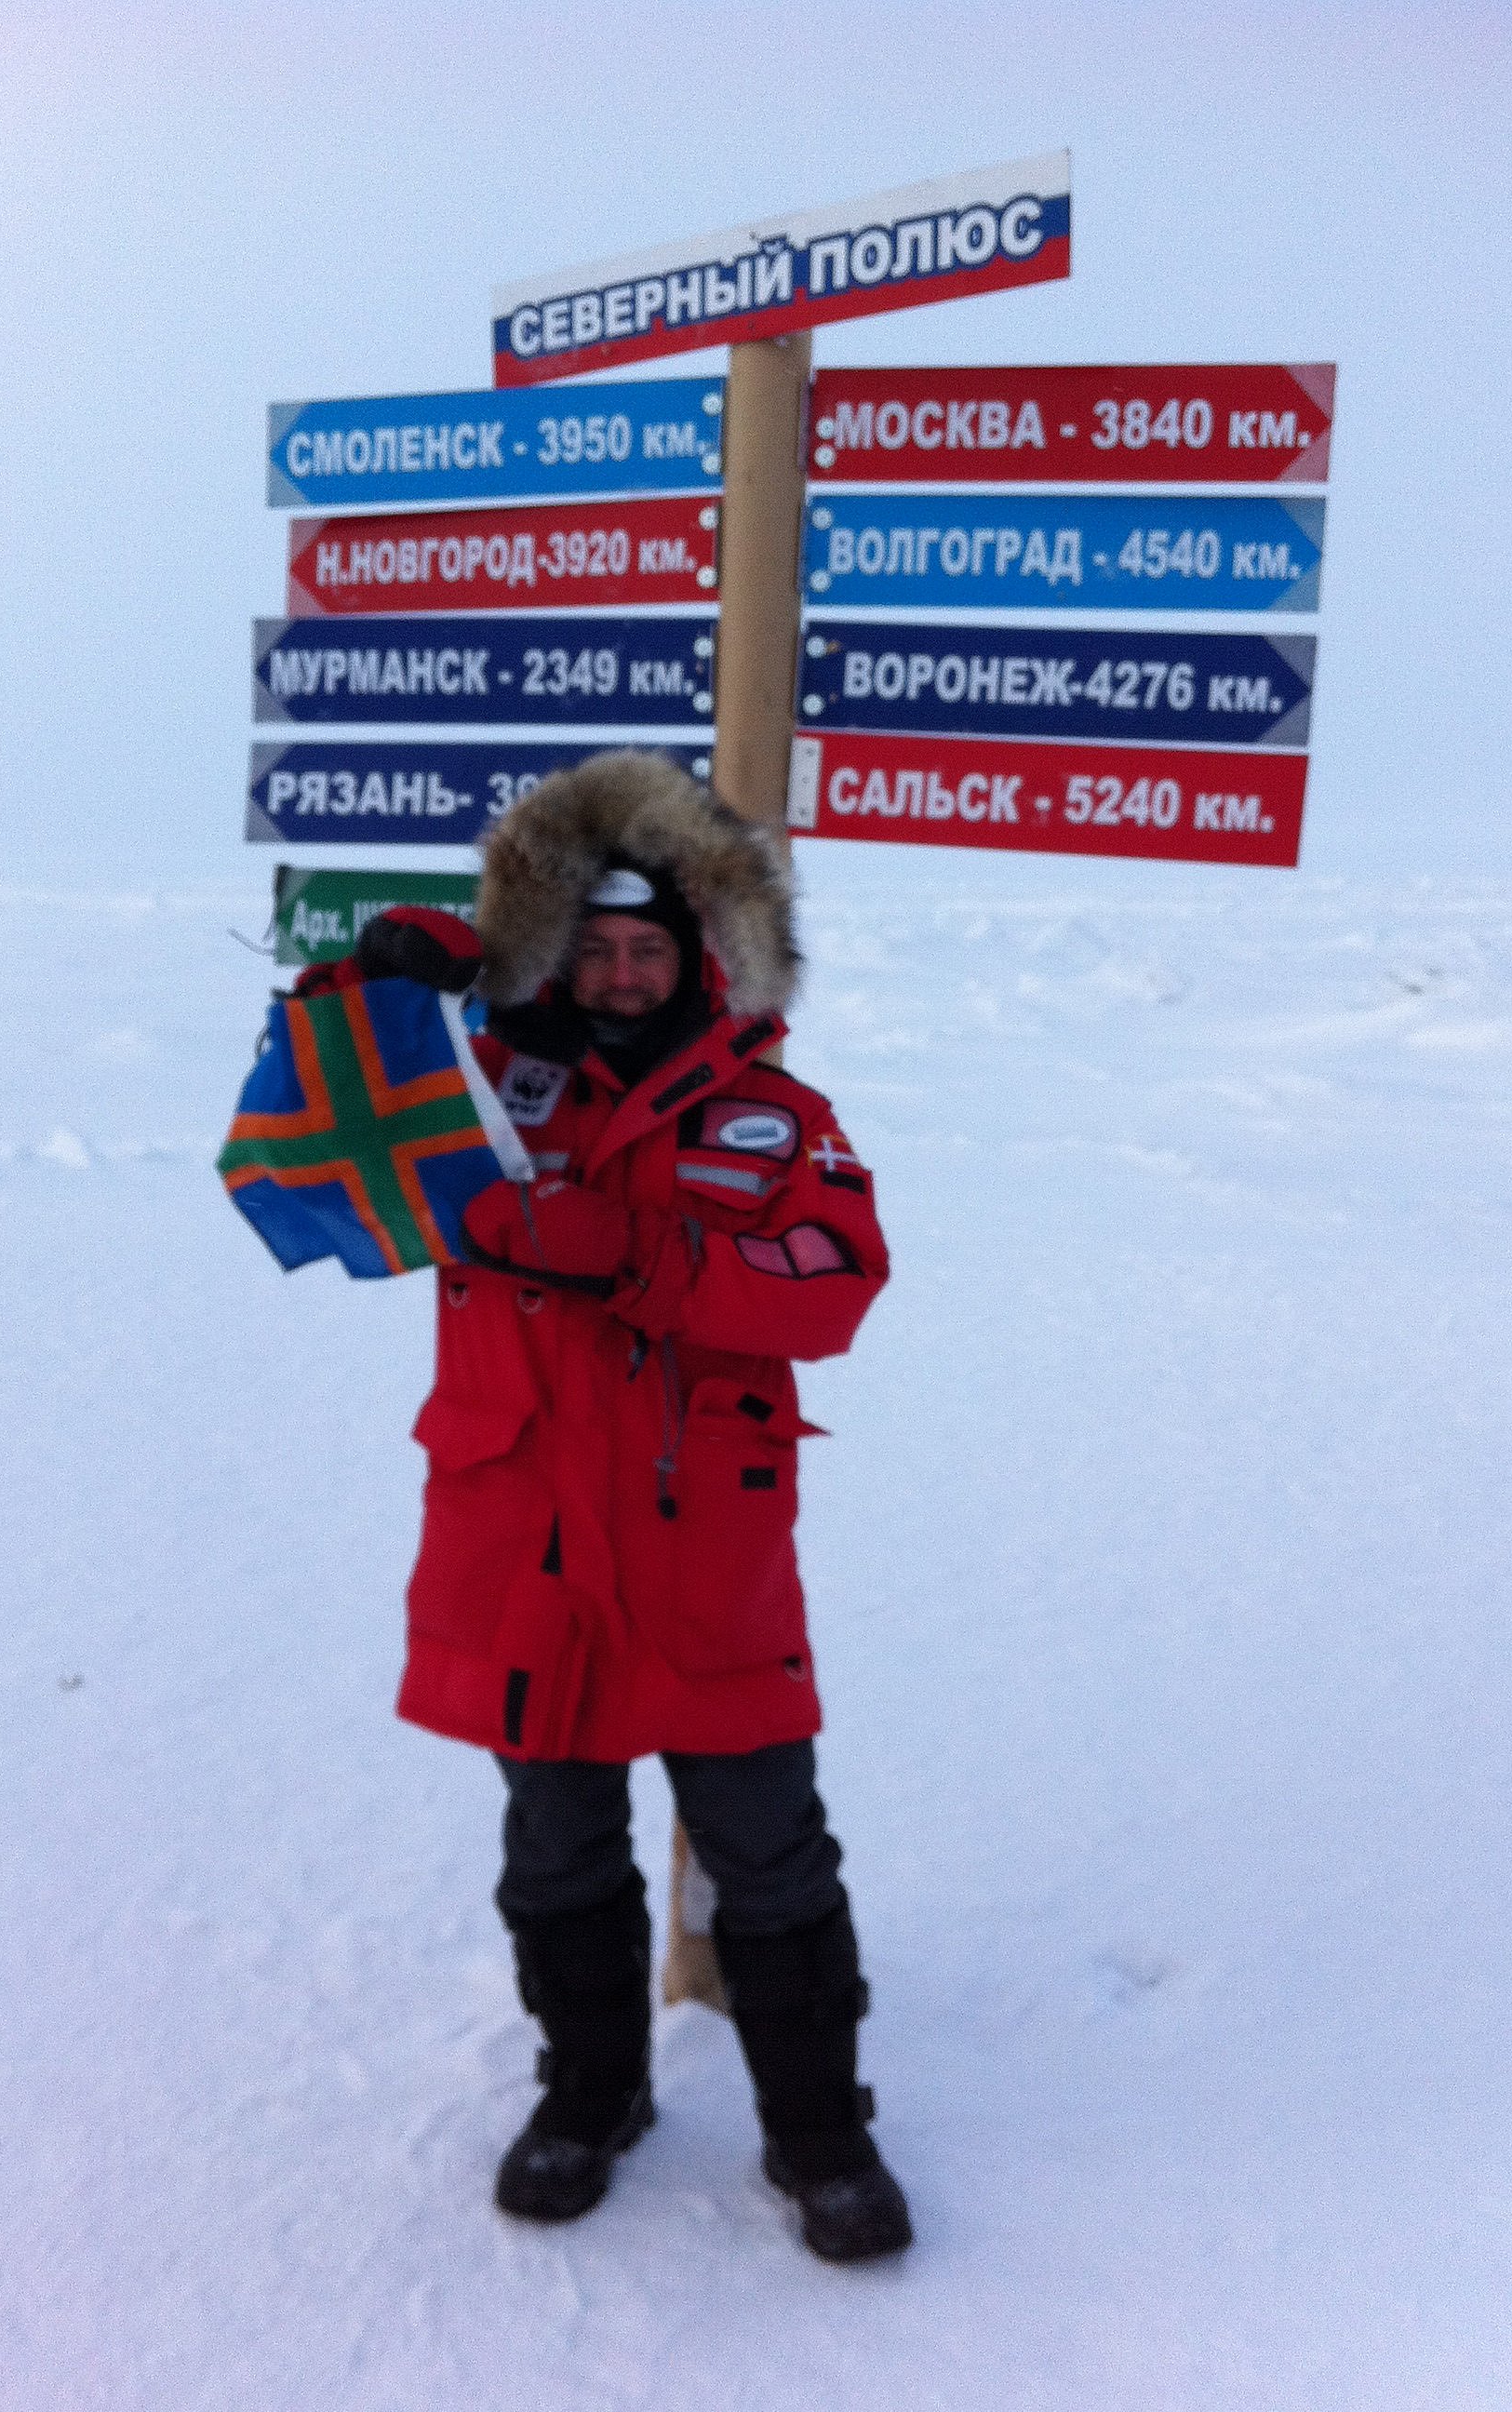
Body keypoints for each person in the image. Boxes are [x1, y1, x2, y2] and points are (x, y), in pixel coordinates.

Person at [351, 748, 912, 2264]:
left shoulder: (774, 1116)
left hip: (702, 1559)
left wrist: (647, 1264)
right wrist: (383, 976)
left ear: (700, 956)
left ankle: (820, 2134)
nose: (614, 974)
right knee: (556, 1848)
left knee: (770, 1848)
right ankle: (588, 2098)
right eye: (587, 945)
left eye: (645, 947)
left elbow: (836, 1284)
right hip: (522, 1546)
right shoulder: (468, 1082)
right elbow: (339, 1110)